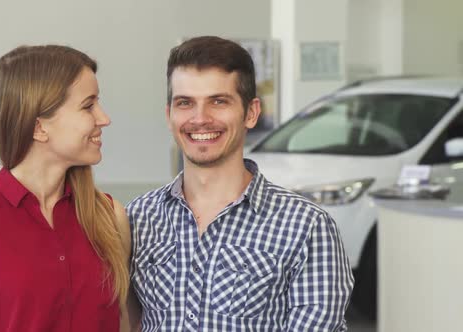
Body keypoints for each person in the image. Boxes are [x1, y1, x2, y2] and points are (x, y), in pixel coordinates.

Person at [126, 36, 354, 331]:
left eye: (218, 101)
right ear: (169, 115)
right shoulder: (137, 218)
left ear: (251, 112)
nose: (200, 119)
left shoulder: (307, 227)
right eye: (185, 103)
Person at [0, 45, 132, 332]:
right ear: (39, 128)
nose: (104, 118)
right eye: (88, 106)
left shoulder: (110, 217)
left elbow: (124, 322)